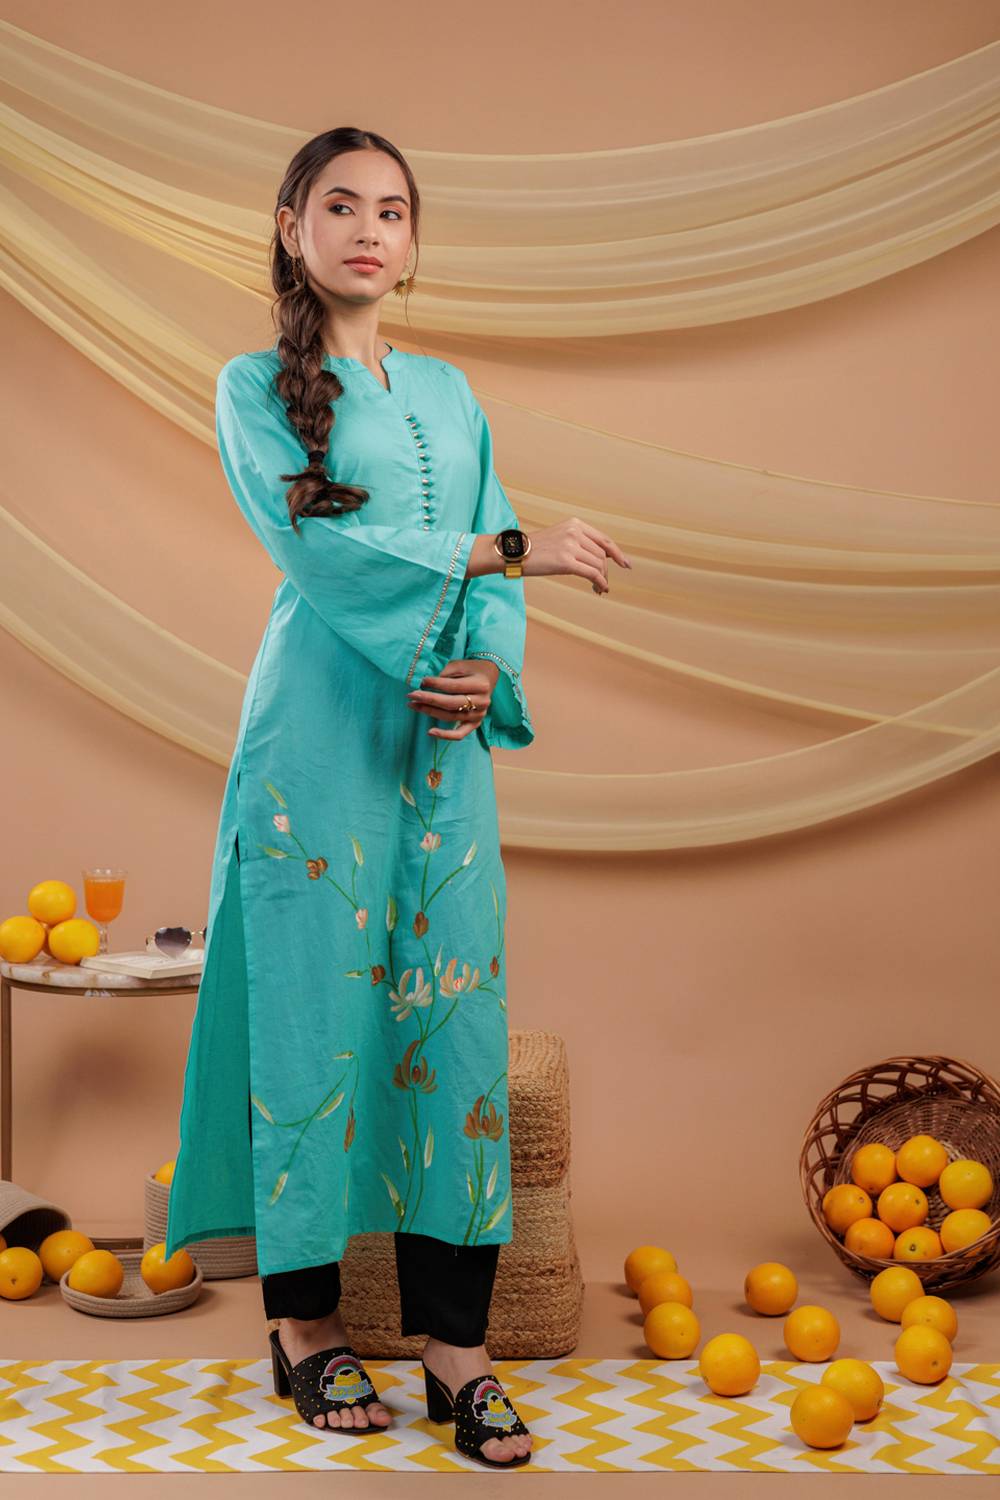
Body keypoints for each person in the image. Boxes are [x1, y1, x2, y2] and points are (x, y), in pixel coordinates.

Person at [165, 126, 629, 1469]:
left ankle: (456, 1351)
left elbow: (489, 565)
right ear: (291, 227)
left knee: (453, 1021)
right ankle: (304, 1327)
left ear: (413, 242)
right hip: (317, 741)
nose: (370, 229)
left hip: (439, 748)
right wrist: (509, 550)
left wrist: (490, 664)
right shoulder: (252, 385)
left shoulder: (448, 389)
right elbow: (320, 542)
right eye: (342, 205)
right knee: (313, 1014)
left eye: (393, 210)